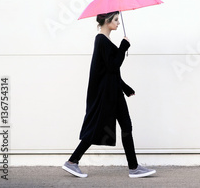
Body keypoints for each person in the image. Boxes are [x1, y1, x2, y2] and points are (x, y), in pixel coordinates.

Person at [62, 11, 156, 178]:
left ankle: (134, 167)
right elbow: (113, 66)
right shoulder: (101, 40)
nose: (118, 23)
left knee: (126, 126)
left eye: (119, 20)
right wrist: (123, 48)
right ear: (106, 21)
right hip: (106, 94)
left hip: (113, 92)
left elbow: (109, 72)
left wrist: (125, 87)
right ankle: (72, 161)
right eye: (115, 20)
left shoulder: (105, 41)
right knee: (97, 126)